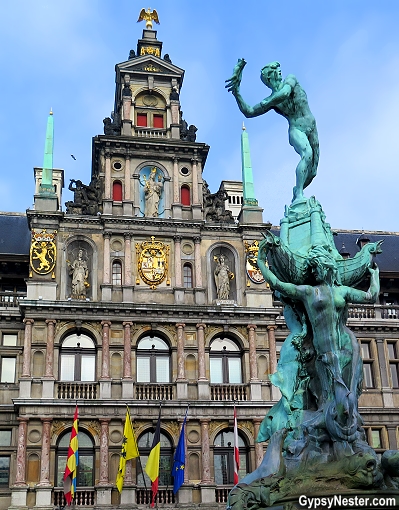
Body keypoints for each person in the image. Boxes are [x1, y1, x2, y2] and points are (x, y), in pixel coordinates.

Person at [257, 242, 380, 441]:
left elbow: (371, 296)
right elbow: (278, 285)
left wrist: (374, 277)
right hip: (323, 356)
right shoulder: (307, 292)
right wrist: (261, 259)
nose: (318, 270)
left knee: (349, 401)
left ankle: (347, 442)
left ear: (329, 268)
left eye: (321, 266)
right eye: (315, 267)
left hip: (346, 348)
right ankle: (325, 443)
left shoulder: (342, 292)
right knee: (328, 403)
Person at [226, 60, 319, 202]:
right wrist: (236, 93)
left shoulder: (290, 79)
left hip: (311, 125)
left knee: (312, 172)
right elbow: (249, 112)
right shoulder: (271, 101)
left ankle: (296, 191)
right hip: (296, 129)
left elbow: (285, 93)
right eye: (275, 69)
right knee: (307, 154)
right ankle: (299, 194)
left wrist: (267, 103)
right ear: (269, 77)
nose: (280, 71)